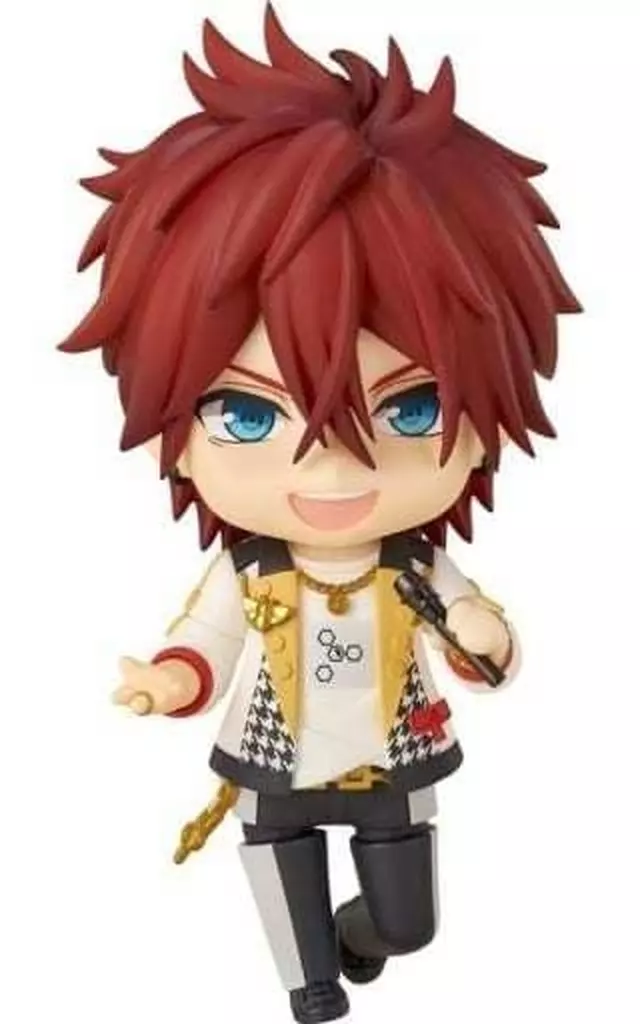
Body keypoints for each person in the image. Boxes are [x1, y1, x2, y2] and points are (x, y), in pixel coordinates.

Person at [60, 7, 580, 1022]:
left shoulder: (414, 562)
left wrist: (486, 638)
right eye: (249, 415)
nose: (335, 467)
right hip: (272, 753)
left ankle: (360, 937)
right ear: (174, 425)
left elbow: (479, 641)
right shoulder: (252, 567)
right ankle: (310, 981)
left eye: (411, 410)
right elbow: (205, 640)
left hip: (395, 753)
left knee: (408, 924)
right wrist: (171, 680)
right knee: (289, 893)